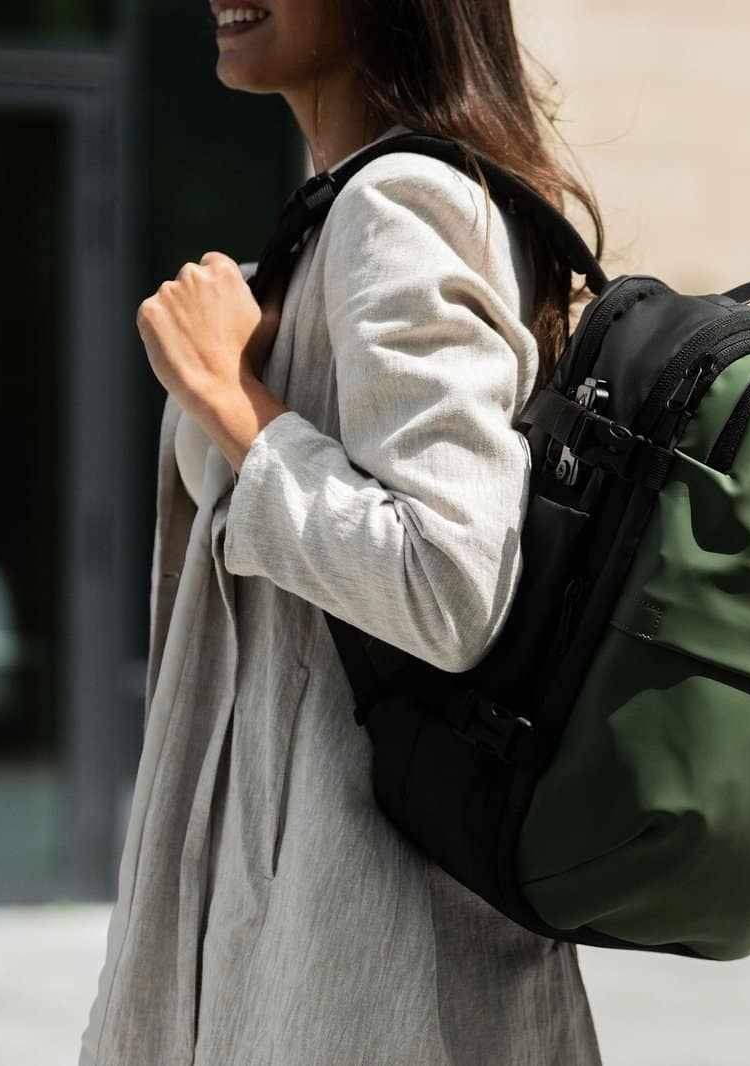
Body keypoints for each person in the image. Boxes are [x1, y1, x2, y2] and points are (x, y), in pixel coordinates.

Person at [77, 0, 609, 1062]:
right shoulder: (360, 210)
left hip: (363, 959)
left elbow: (449, 582)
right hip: (314, 927)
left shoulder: (402, 206)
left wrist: (233, 403)